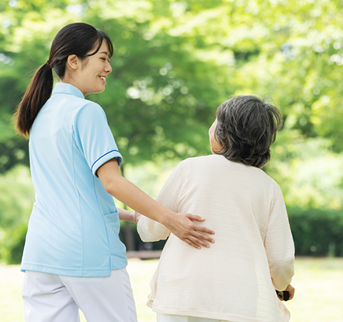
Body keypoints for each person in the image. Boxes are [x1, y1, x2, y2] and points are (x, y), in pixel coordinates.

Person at [14, 22, 215, 322]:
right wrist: (171, 220)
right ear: (74, 61)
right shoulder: (86, 112)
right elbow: (111, 182)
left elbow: (70, 192)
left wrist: (131, 215)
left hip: (42, 256)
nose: (108, 67)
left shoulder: (40, 115)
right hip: (89, 254)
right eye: (103, 58)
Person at [120, 95, 296, 322]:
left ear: (223, 133)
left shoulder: (190, 169)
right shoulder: (269, 188)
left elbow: (150, 229)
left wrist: (133, 217)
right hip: (239, 305)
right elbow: (280, 260)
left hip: (181, 299)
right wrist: (282, 284)